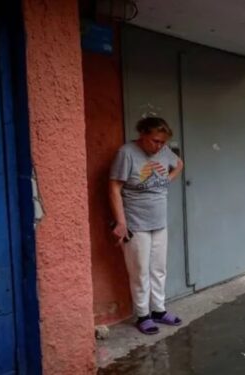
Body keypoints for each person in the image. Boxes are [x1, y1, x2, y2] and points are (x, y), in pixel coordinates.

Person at [109, 117, 184, 334]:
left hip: (159, 221)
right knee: (139, 270)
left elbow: (179, 164)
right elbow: (113, 188)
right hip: (136, 223)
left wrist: (166, 180)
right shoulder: (126, 153)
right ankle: (143, 315)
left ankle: (159, 310)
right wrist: (121, 222)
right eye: (154, 141)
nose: (159, 146)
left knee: (159, 268)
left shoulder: (163, 151)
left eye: (162, 142)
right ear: (142, 134)